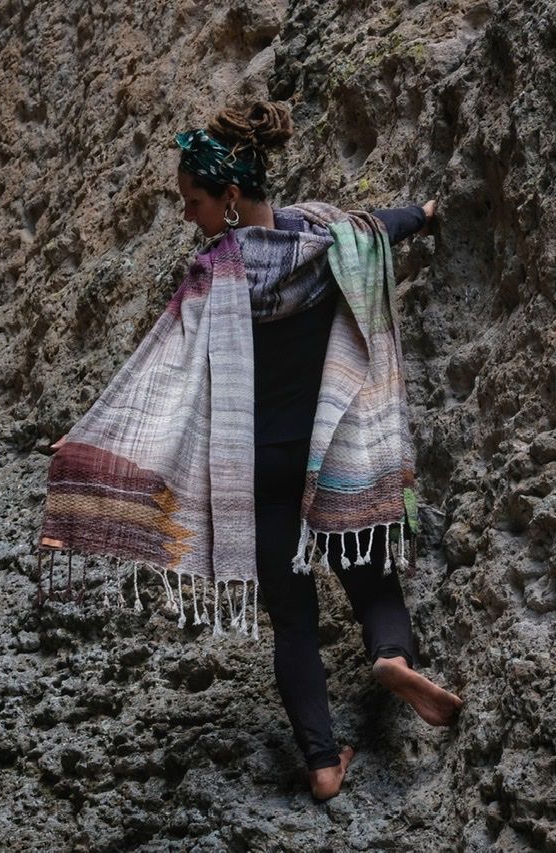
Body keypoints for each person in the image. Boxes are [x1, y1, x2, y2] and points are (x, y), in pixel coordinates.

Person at [39, 100, 462, 802]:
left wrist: (90, 439)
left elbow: (156, 377)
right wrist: (424, 211)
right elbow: (385, 224)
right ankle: (391, 657)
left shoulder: (215, 274)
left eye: (194, 201)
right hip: (331, 450)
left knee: (293, 619)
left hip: (256, 468)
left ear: (230, 197)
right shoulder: (329, 236)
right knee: (371, 579)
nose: (188, 215)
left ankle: (324, 764)